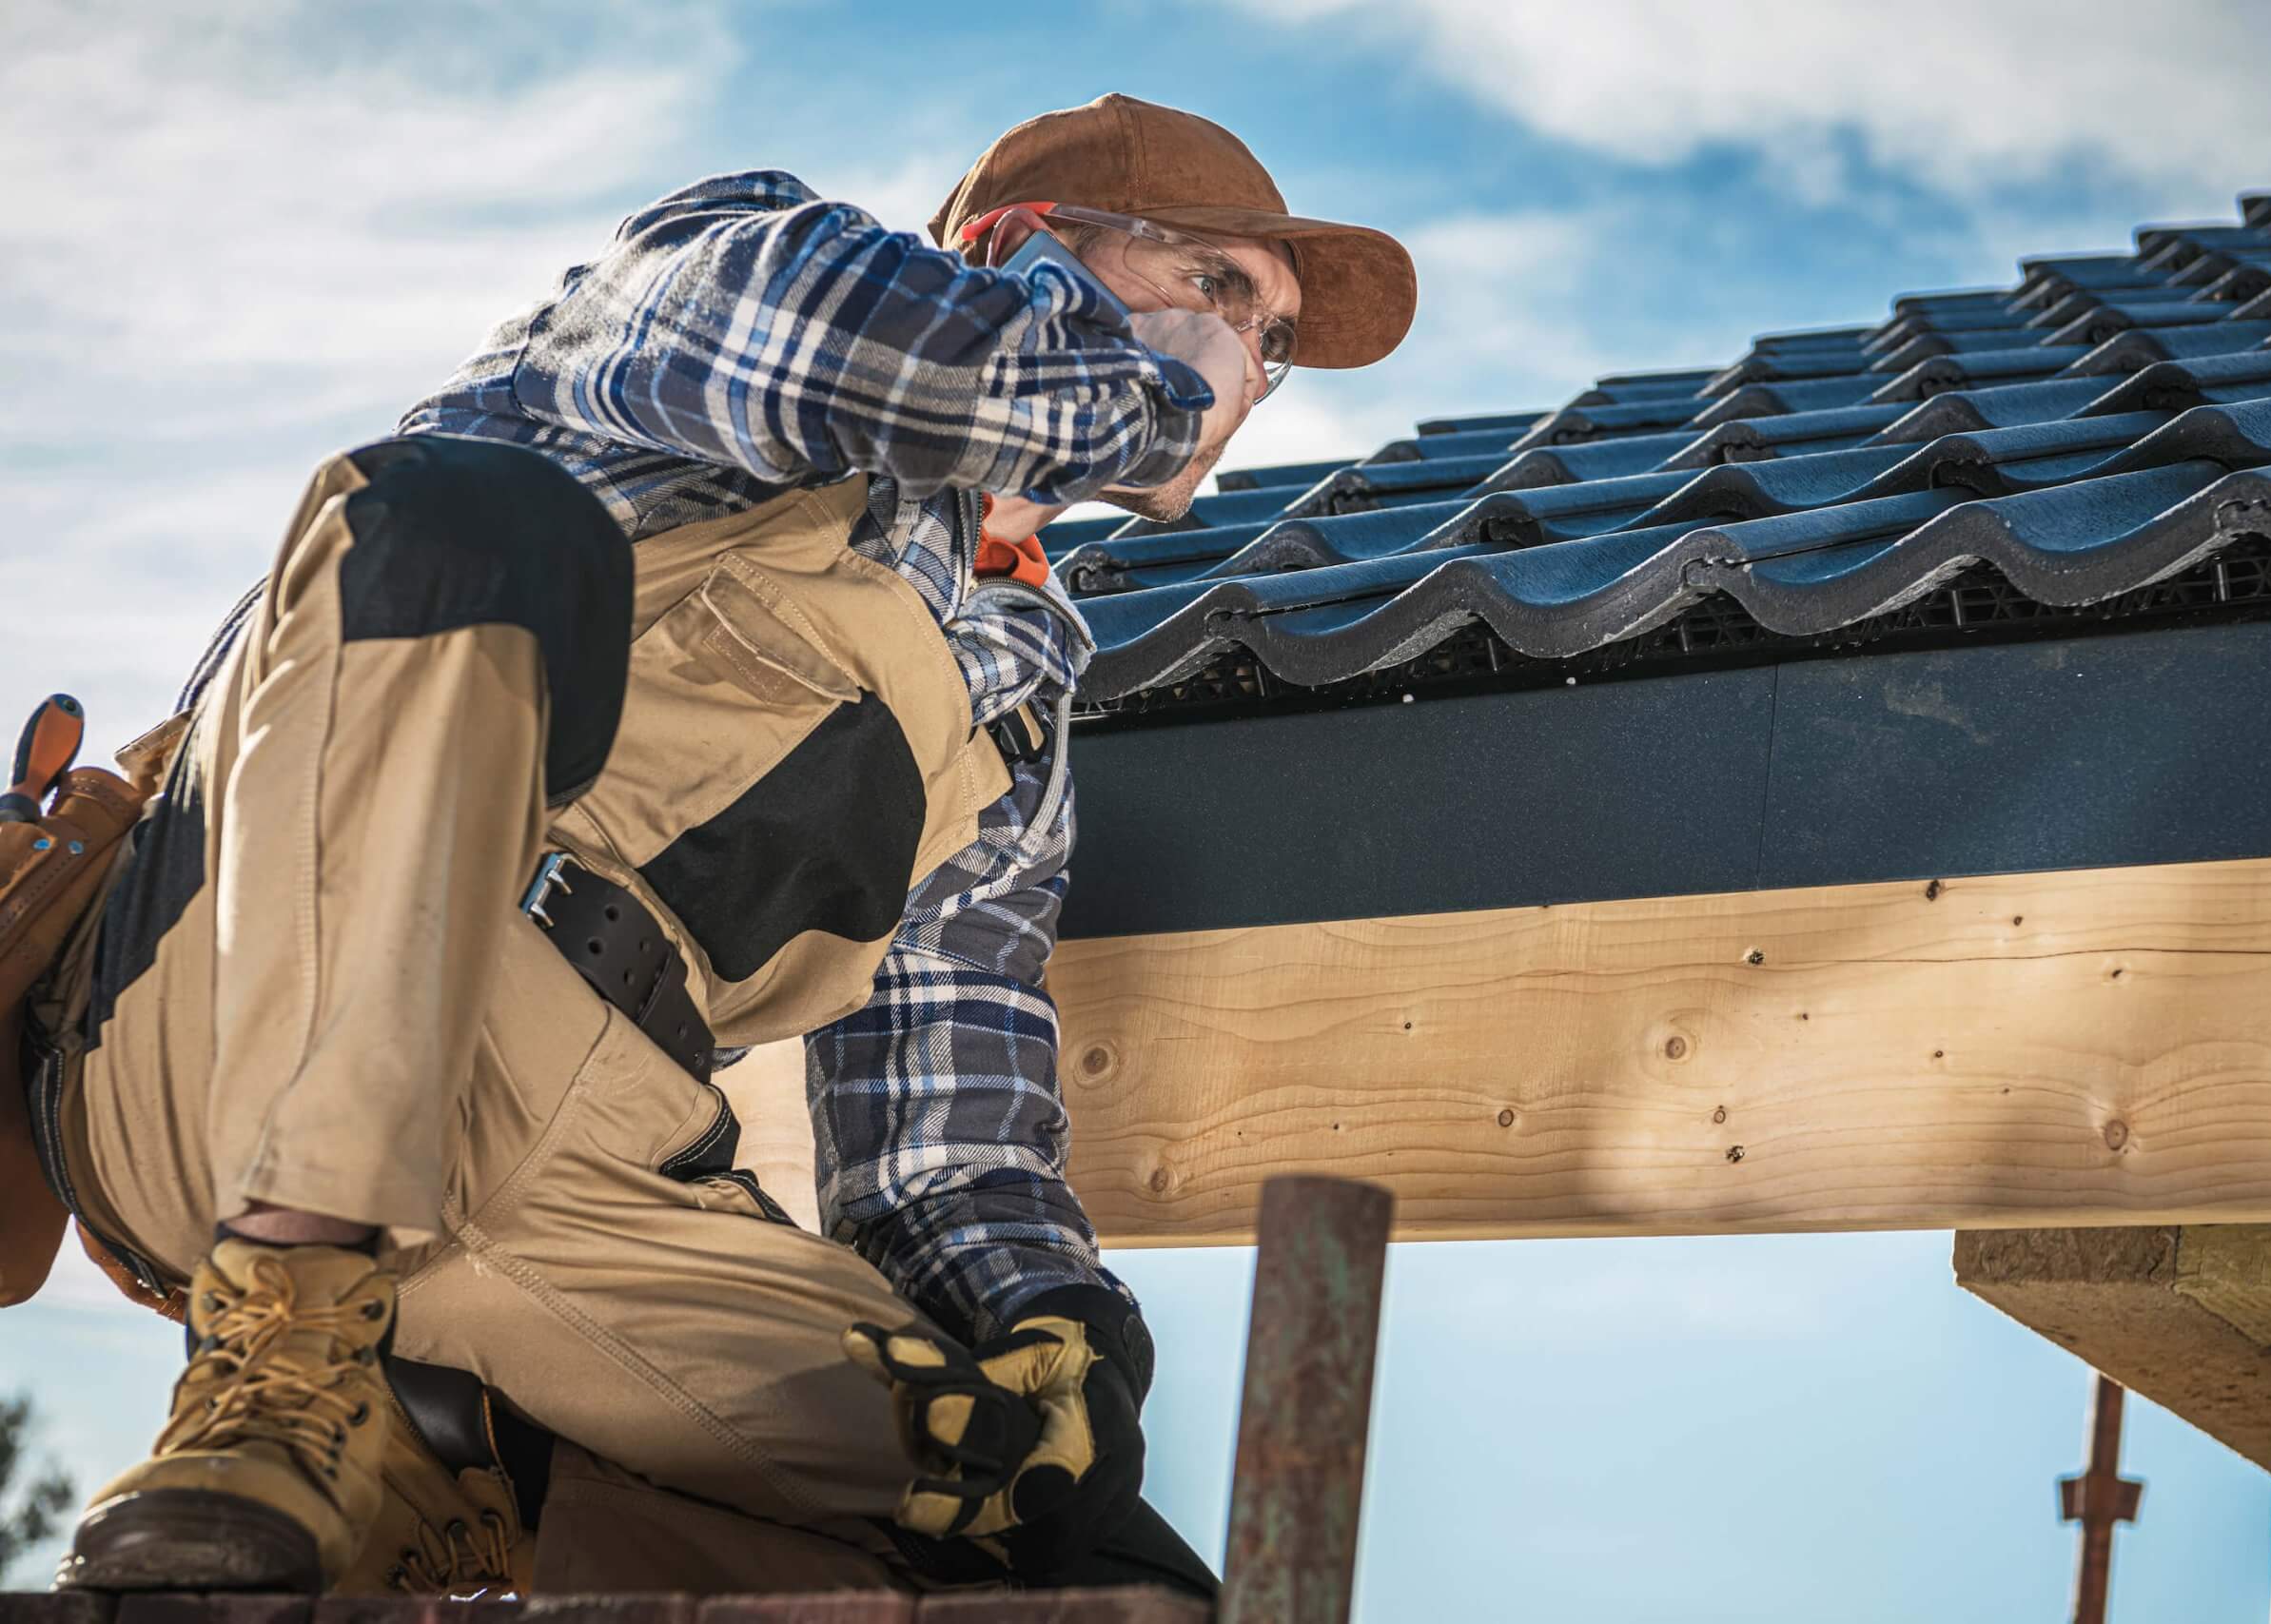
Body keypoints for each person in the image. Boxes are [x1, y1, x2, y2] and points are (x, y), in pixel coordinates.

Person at [28, 93, 1414, 1595]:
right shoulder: (732, 276)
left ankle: (429, 1453)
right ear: (1022, 245)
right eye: (1217, 287)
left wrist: (1059, 1322)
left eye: (1268, 344)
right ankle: (282, 1348)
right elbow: (880, 349)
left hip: (591, 1185)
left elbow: (940, 1141)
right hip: (238, 1026)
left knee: (1058, 1547)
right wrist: (1147, 387)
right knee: (449, 523)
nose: (1248, 367)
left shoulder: (1018, 698)